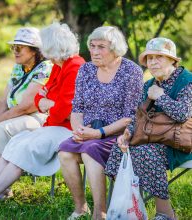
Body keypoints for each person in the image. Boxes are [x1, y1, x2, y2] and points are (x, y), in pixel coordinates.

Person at [0, 22, 85, 206]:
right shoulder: (59, 65)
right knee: (16, 143)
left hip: (65, 128)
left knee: (19, 147)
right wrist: (47, 103)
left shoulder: (73, 67)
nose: (45, 53)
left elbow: (57, 112)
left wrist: (47, 103)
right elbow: (41, 99)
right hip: (52, 124)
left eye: (19, 47)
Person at [58, 26, 143, 220]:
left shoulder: (131, 71)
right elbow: (77, 108)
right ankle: (80, 208)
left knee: (90, 151)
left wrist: (98, 133)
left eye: (101, 47)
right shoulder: (85, 69)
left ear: (115, 49)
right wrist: (79, 130)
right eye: (92, 46)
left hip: (119, 135)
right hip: (89, 131)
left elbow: (132, 116)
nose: (95, 52)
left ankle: (100, 212)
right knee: (64, 152)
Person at [105, 37, 192, 220]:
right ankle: (132, 205)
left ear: (173, 60)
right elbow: (139, 115)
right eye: (149, 58)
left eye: (158, 57)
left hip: (180, 142)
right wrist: (127, 133)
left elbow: (183, 114)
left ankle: (165, 214)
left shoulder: (187, 81)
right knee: (118, 151)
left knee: (146, 152)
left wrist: (160, 97)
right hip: (155, 138)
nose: (153, 62)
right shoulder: (149, 84)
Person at [0, 27, 52, 168]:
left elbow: (26, 106)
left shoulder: (45, 68)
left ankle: (3, 186)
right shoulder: (18, 67)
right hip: (12, 114)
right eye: (13, 47)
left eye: (19, 47)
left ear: (35, 50)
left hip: (37, 116)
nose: (15, 50)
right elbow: (3, 101)